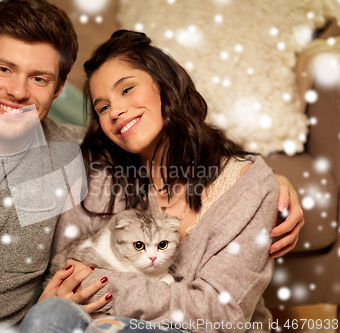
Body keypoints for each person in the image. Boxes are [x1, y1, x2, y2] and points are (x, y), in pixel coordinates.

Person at [0, 1, 301, 332]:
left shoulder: (74, 149)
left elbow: (169, 149)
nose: (19, 91)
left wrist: (270, 182)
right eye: (4, 69)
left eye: (38, 78)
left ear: (57, 91)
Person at [18, 30, 291, 333]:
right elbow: (65, 275)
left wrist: (106, 287)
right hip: (103, 324)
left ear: (165, 85)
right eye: (103, 107)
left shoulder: (249, 186)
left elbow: (221, 314)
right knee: (48, 317)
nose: (116, 112)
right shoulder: (101, 173)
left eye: (126, 89)